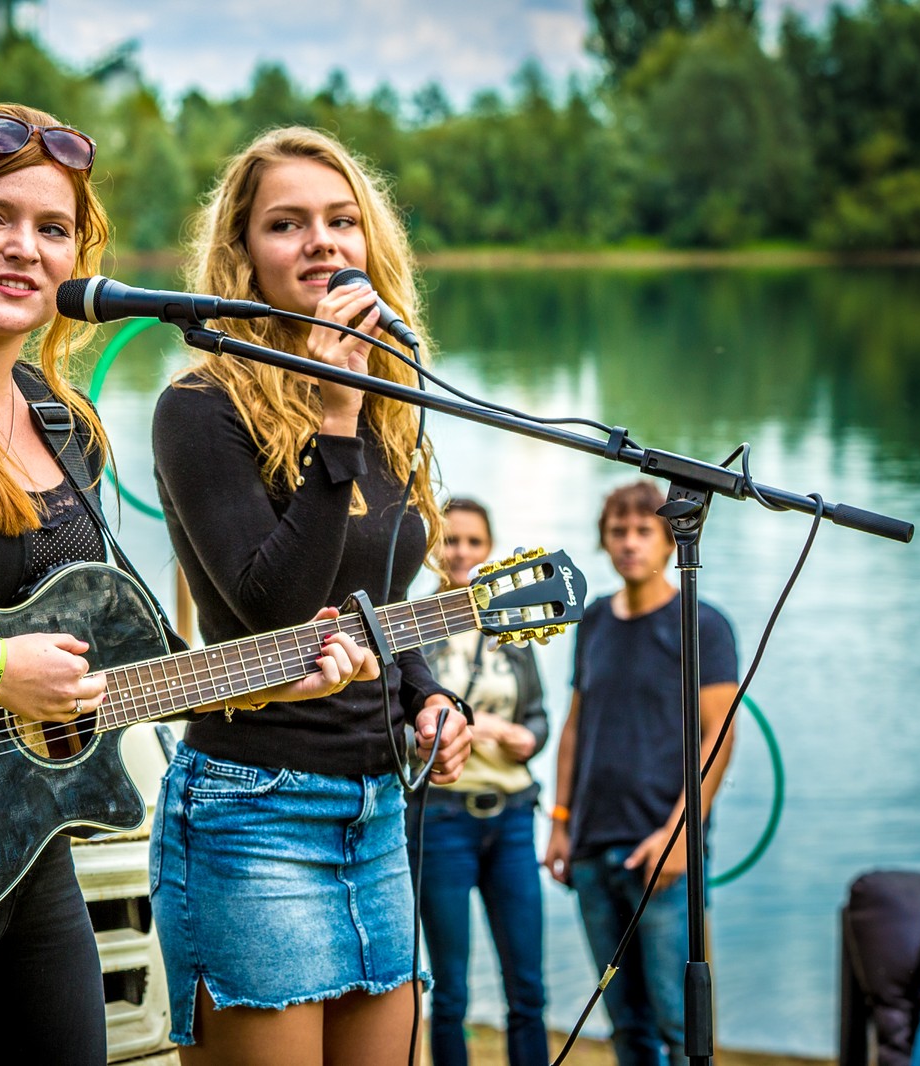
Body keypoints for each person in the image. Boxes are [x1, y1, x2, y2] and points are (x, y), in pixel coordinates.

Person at [0, 104, 375, 1066]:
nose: (24, 249)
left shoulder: (63, 422)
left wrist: (275, 676)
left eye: (52, 230)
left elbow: (135, 656)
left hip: (22, 850)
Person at [149, 126, 474, 1066]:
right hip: (254, 810)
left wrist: (430, 699)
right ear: (242, 255)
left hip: (375, 811)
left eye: (341, 221)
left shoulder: (391, 402)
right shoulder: (201, 405)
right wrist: (335, 415)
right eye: (286, 225)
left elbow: (384, 598)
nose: (321, 242)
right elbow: (271, 610)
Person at [542, 480, 740, 1066]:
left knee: (680, 1026)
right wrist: (559, 822)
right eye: (618, 531)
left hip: (665, 851)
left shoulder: (702, 623)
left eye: (643, 531)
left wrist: (680, 835)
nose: (630, 543)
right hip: (591, 847)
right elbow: (575, 726)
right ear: (604, 542)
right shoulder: (595, 619)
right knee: (624, 1025)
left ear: (668, 540)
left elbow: (719, 736)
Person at [411, 498, 550, 1066]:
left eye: (473, 542)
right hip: (441, 818)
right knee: (450, 992)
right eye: (450, 540)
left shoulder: (511, 627)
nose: (461, 552)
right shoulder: (414, 628)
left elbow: (538, 714)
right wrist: (478, 725)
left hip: (513, 818)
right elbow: (401, 721)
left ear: (489, 551)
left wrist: (529, 739)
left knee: (528, 990)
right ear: (432, 549)